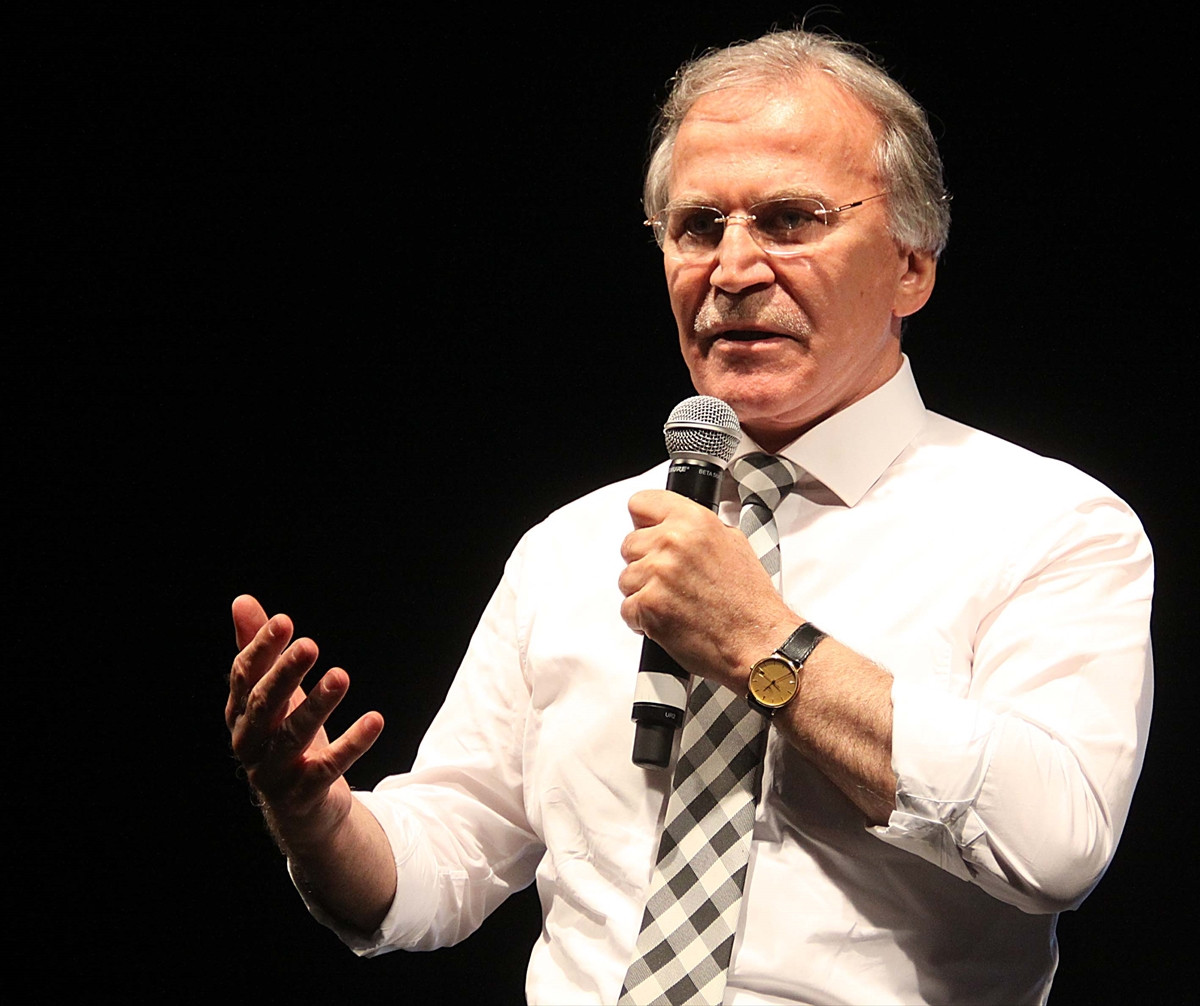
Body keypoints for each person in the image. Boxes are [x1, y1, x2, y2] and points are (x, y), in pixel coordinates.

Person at [225, 29, 1153, 1005]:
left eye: (789, 220)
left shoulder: (1050, 524)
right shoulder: (571, 547)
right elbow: (445, 858)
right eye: (698, 227)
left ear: (911, 266)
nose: (734, 268)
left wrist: (764, 644)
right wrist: (314, 817)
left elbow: (1056, 846)